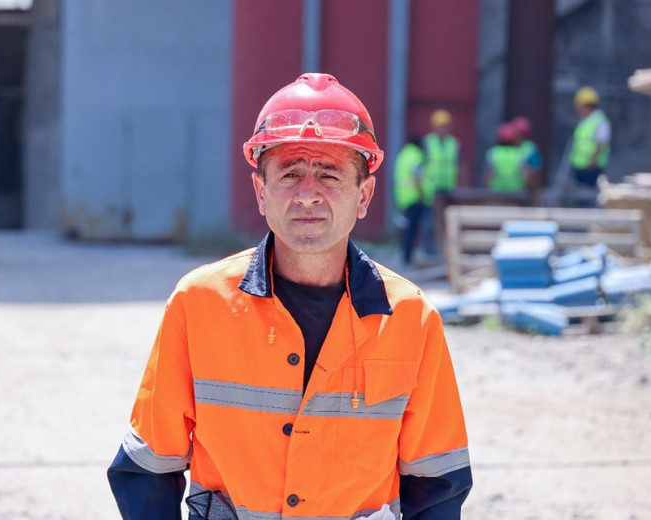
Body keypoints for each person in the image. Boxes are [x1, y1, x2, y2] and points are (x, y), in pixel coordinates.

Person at [107, 73, 472, 520]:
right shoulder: (198, 303)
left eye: (329, 174)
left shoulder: (410, 317)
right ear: (261, 192)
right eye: (290, 173)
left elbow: (437, 484)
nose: (307, 195)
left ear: (364, 195)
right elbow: (147, 469)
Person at [421, 109, 464, 257]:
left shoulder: (454, 144)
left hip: (448, 187)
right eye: (440, 126)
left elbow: (459, 165)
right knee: (430, 220)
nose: (443, 129)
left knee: (447, 220)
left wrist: (460, 183)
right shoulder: (427, 142)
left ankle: (445, 248)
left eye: (445, 126)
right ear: (434, 127)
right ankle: (429, 249)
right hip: (431, 188)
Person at [570, 86, 611, 188]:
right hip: (579, 165)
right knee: (579, 194)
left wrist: (592, 162)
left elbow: (601, 143)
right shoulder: (585, 120)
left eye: (580, 106)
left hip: (591, 167)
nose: (578, 109)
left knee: (588, 194)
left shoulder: (600, 121)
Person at [393, 136, 425, 266]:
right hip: (414, 197)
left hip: (402, 197)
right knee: (412, 229)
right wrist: (421, 194)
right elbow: (417, 176)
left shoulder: (403, 155)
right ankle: (408, 257)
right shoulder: (417, 156)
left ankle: (404, 255)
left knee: (405, 228)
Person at [483, 122, 527, 192]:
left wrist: (486, 191)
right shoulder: (519, 153)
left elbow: (488, 175)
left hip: (496, 191)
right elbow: (524, 176)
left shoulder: (493, 153)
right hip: (515, 191)